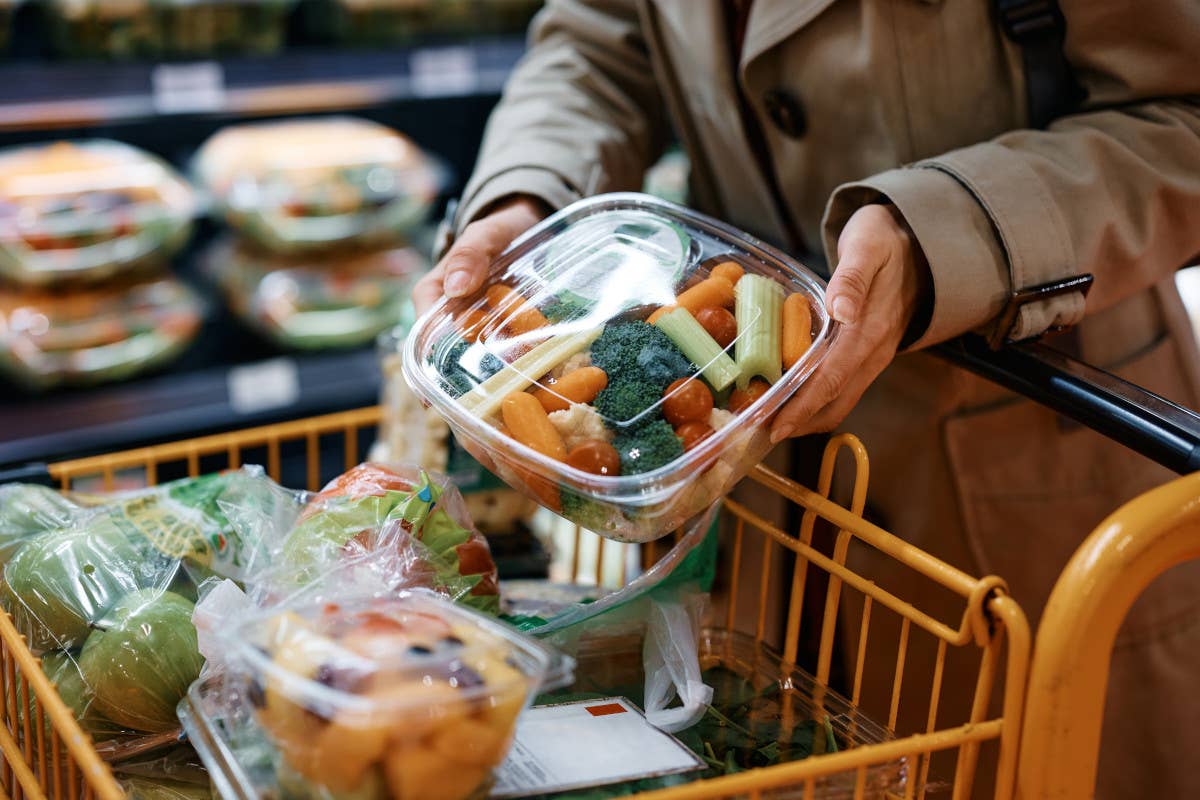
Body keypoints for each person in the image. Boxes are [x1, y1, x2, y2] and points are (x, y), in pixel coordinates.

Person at [413, 1, 1200, 796]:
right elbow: (602, 39)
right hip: (743, 491)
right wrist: (528, 197)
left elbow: (1184, 117)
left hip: (1024, 474)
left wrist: (939, 238)